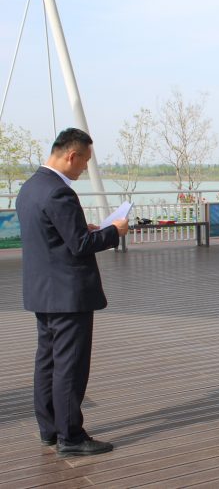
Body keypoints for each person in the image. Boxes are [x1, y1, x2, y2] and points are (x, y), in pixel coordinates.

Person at [15, 128, 129, 456]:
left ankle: (50, 430)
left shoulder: (31, 187)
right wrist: (114, 231)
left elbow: (55, 235)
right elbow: (79, 245)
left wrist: (85, 228)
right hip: (67, 295)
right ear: (71, 155)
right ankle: (71, 437)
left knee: (48, 362)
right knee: (70, 366)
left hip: (42, 292)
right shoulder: (59, 193)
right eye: (85, 162)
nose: (84, 168)